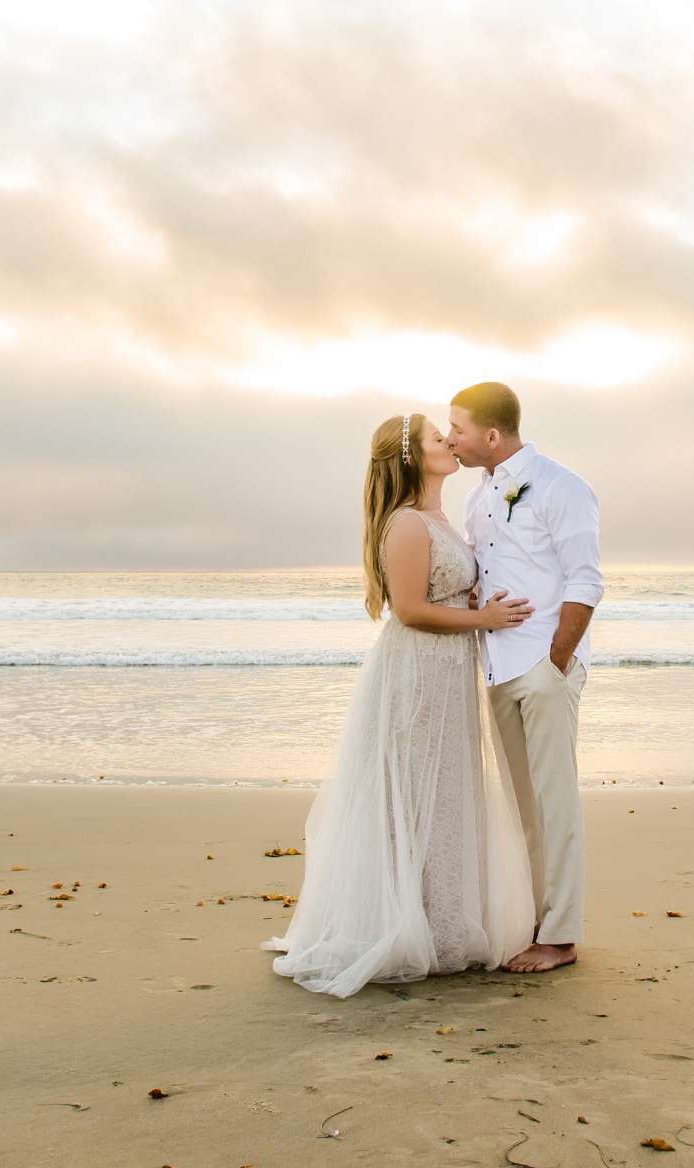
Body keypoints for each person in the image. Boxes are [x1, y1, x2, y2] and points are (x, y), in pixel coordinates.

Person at [263, 412, 538, 997]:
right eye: (440, 438)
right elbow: (410, 609)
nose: (451, 443)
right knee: (415, 792)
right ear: (414, 457)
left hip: (446, 672)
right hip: (417, 671)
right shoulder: (408, 525)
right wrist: (482, 618)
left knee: (443, 794)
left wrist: (483, 605)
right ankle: (404, 926)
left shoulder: (441, 519)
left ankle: (441, 924)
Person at [444, 381, 602, 974]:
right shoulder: (476, 498)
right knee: (521, 808)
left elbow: (586, 581)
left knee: (555, 803)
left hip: (541, 665)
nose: (450, 438)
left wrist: (555, 663)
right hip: (496, 665)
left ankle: (561, 936)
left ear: (490, 434)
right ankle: (536, 919)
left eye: (457, 429)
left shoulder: (563, 487)